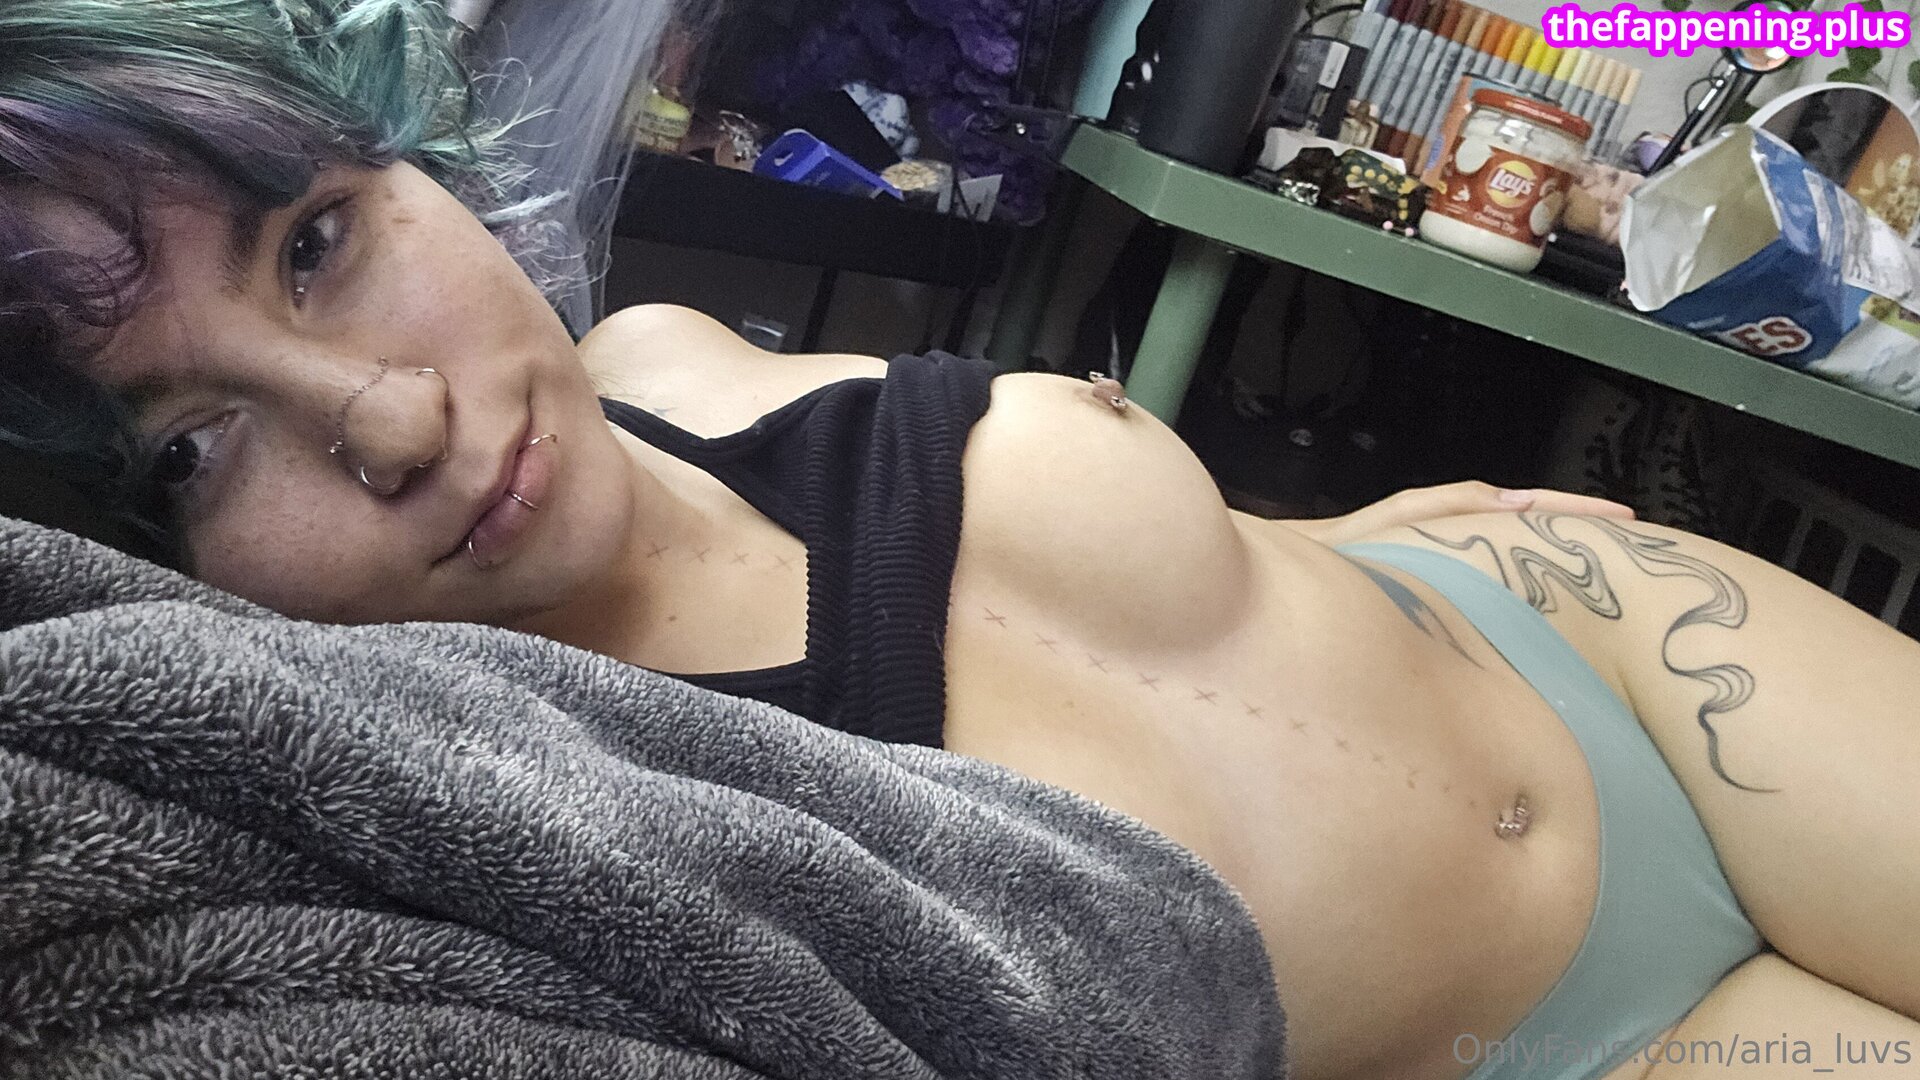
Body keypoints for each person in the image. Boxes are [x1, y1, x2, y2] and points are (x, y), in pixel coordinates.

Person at [3, 2, 1917, 1078]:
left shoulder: (662, 352)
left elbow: (1109, 602)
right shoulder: (544, 833)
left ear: (408, 160)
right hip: (1568, 1044)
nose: (395, 419)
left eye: (318, 242)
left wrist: (1348, 529)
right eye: (191, 451)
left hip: (1607, 651)